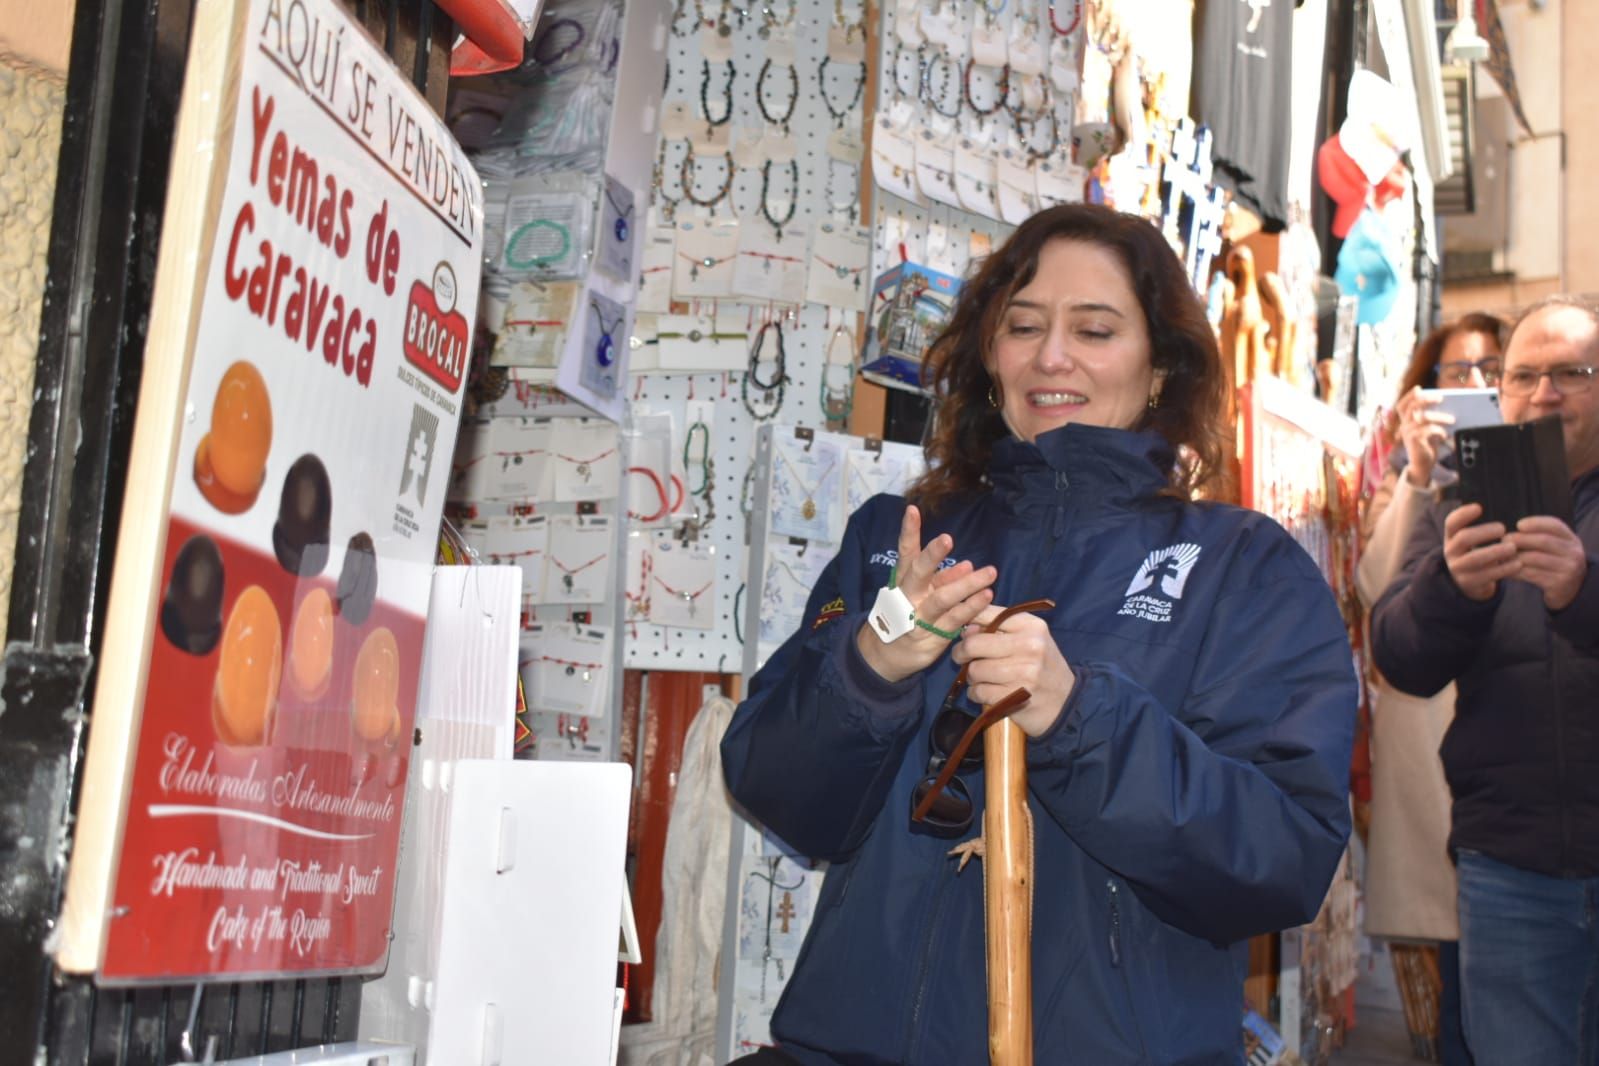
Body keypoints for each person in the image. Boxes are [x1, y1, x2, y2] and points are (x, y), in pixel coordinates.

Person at [720, 204, 1357, 1065]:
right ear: (988, 355)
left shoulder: (1240, 568)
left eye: (1094, 330)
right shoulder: (896, 536)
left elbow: (1280, 861)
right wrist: (870, 668)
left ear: (1160, 366)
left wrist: (1075, 718)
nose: (1051, 357)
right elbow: (777, 791)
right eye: (1022, 326)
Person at [1371, 296, 1599, 1066]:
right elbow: (1398, 655)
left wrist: (1581, 591)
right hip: (1509, 867)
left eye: (1572, 372)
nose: (1544, 394)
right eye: (1524, 375)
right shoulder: (1460, 502)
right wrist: (1452, 588)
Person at [1357, 312, 1505, 1066]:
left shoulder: (1545, 467)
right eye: (1456, 374)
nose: (1475, 385)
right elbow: (1377, 591)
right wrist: (1415, 474)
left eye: (1490, 368)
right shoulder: (1401, 478)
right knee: (1459, 971)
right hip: (1432, 740)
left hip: (1516, 758)